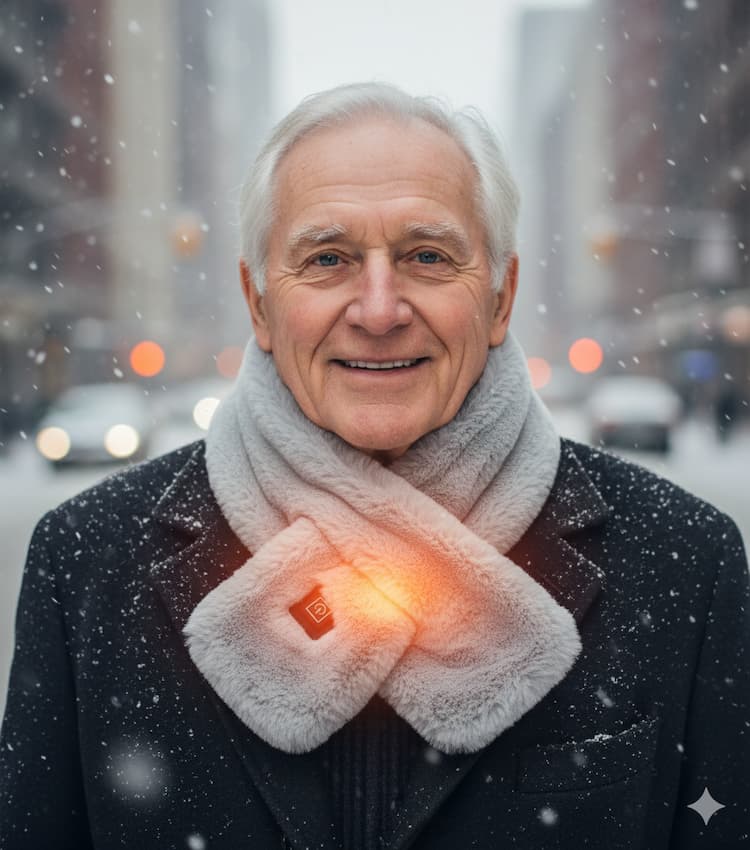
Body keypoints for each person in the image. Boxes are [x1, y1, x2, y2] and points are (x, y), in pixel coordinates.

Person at [1, 82, 748, 850]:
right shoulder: (86, 567)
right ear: (258, 304)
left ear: (500, 298)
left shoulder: (687, 564)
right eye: (328, 259)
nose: (380, 309)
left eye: (428, 256)